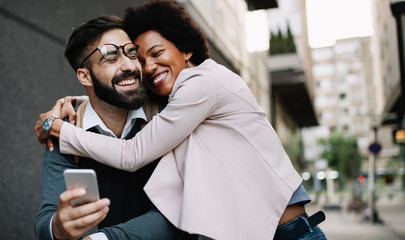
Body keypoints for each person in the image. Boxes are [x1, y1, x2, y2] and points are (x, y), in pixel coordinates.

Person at [37, 1, 327, 239]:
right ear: (84, 76)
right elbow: (45, 220)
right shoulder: (170, 102)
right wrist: (72, 103)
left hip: (289, 232)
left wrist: (56, 127)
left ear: (187, 49)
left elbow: (132, 155)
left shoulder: (198, 86)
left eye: (151, 53)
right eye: (140, 57)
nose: (145, 67)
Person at [34, 15, 195, 240]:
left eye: (131, 52)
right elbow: (45, 223)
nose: (130, 65)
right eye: (111, 56)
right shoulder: (66, 131)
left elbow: (180, 211)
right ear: (85, 76)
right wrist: (59, 226)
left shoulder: (171, 110)